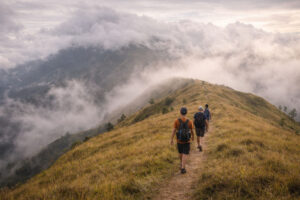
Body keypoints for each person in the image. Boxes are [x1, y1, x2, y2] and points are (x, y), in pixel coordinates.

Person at [170, 107, 194, 174]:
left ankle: (181, 165)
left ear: (180, 112)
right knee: (185, 154)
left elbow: (174, 130)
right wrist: (193, 136)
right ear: (186, 113)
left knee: (180, 153)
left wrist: (171, 139)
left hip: (179, 141)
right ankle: (183, 167)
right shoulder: (189, 121)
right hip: (187, 141)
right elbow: (191, 130)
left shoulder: (176, 121)